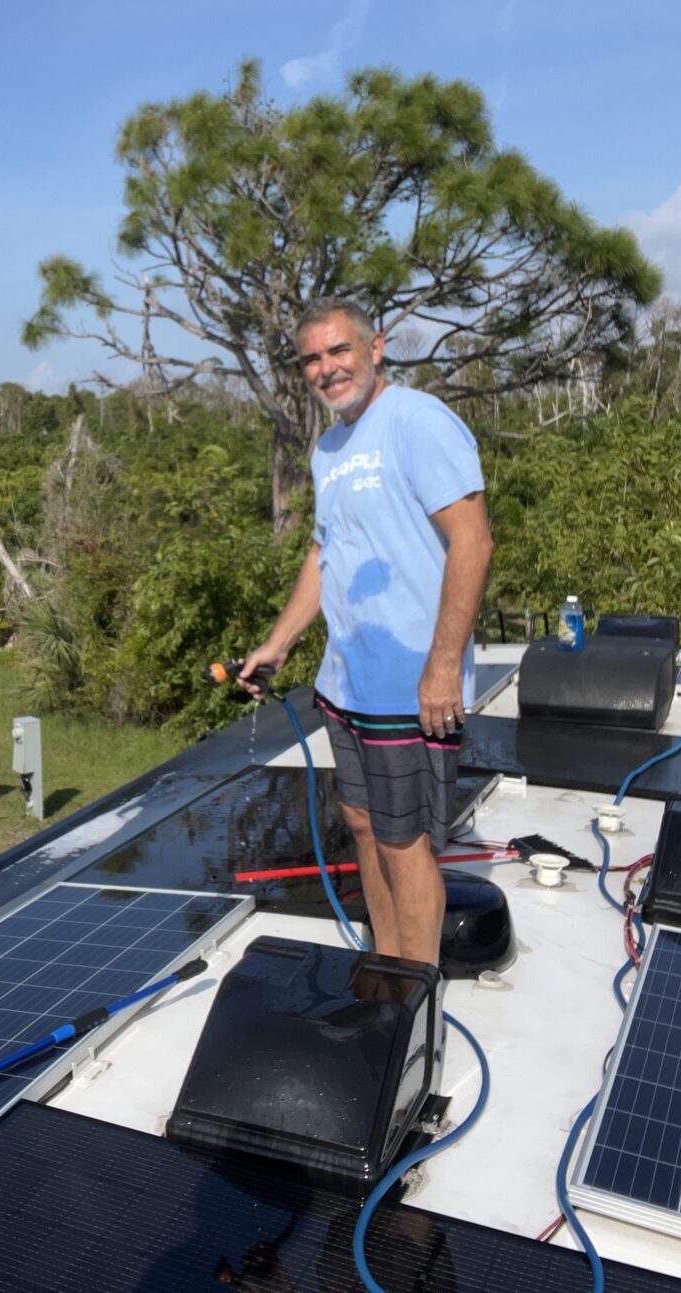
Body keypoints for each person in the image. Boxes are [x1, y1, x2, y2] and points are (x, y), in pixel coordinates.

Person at [241, 298, 492, 968]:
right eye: (312, 359)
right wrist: (279, 642)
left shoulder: (416, 421)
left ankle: (414, 996)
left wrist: (442, 667)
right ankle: (385, 968)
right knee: (362, 825)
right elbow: (326, 556)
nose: (326, 368)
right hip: (345, 682)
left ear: (375, 347)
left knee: (405, 841)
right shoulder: (329, 447)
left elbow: (472, 540)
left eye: (339, 351)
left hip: (410, 685)